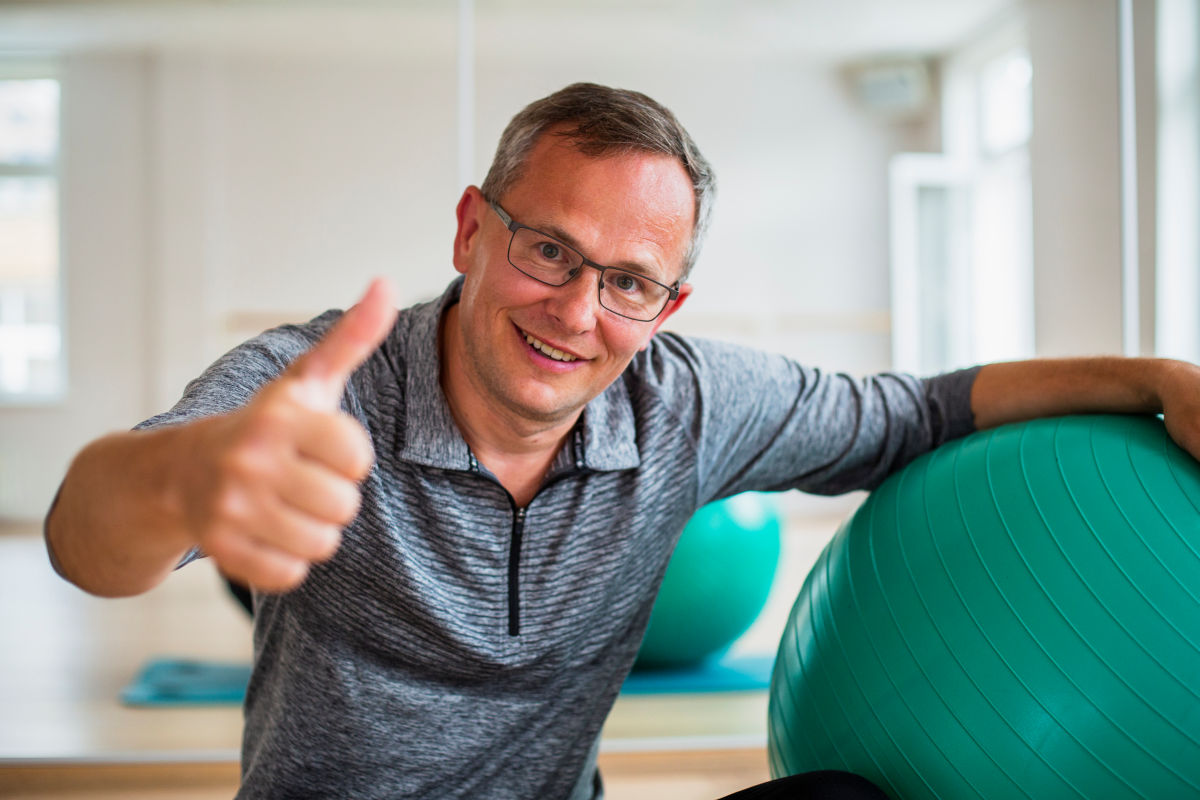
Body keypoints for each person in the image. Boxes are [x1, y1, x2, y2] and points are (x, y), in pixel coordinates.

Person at [44, 83, 1200, 800]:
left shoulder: (686, 402)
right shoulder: (320, 384)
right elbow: (83, 542)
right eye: (547, 249)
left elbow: (927, 409)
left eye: (629, 281)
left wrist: (1159, 379)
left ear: (668, 307)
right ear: (471, 229)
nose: (577, 310)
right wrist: (186, 479)